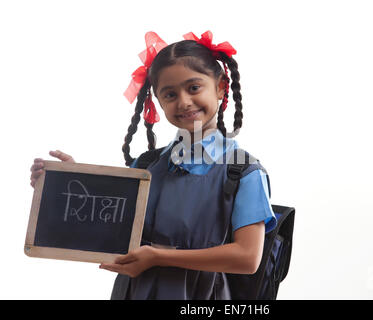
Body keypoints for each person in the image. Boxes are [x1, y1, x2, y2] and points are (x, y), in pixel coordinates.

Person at [29, 31, 276, 300]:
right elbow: (111, 222)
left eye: (194, 87)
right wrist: (68, 181)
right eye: (170, 94)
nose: (183, 101)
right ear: (157, 102)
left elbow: (247, 258)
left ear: (219, 87)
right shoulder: (147, 166)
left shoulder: (242, 172)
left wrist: (157, 257)